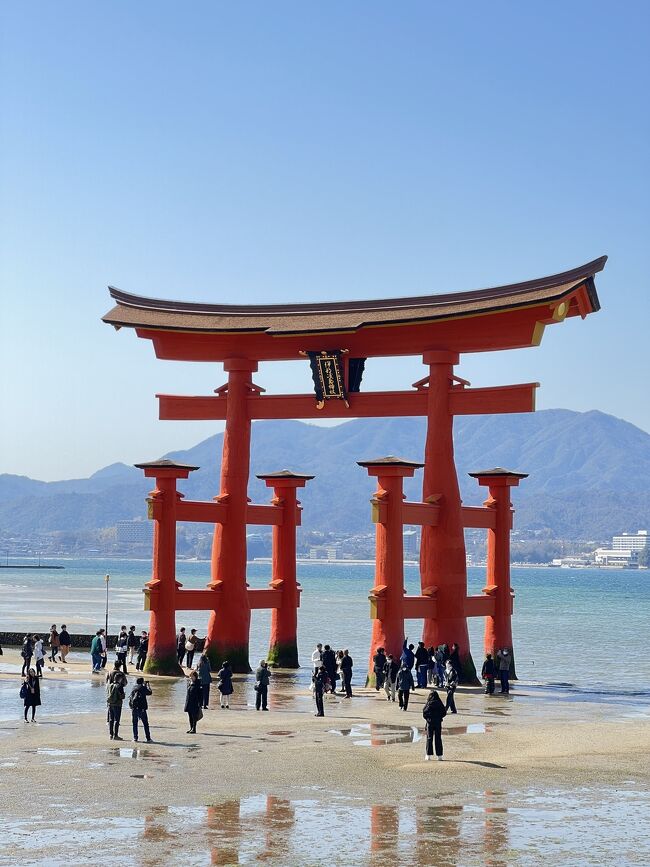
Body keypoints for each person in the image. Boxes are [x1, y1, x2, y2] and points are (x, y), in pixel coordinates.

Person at [422, 689, 447, 761]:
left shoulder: (429, 703)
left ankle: (428, 755)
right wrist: (439, 717)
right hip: (438, 722)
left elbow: (424, 713)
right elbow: (444, 712)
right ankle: (439, 756)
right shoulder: (439, 703)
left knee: (429, 738)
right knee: (438, 738)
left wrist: (428, 719)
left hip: (430, 723)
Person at [129, 677, 153, 743]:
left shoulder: (133, 687)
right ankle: (148, 738)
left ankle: (135, 738)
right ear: (142, 682)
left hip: (134, 708)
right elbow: (150, 693)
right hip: (141, 709)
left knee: (135, 724)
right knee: (145, 724)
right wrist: (147, 685)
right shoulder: (143, 688)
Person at [106, 671, 126, 740]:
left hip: (110, 704)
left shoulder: (110, 685)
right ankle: (116, 735)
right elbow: (121, 697)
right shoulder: (119, 686)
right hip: (117, 704)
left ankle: (111, 735)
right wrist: (123, 695)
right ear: (119, 679)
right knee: (117, 720)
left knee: (111, 720)